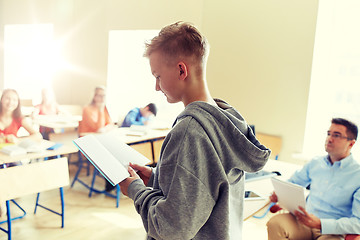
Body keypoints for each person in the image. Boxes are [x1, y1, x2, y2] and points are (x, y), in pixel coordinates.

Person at [119, 21, 271, 240]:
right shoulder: (226, 121)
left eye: (158, 76)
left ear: (181, 70)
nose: (156, 86)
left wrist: (135, 190)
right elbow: (205, 190)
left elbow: (171, 228)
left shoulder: (189, 131)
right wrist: (155, 179)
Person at [267, 118, 360, 240]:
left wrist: (320, 224)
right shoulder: (315, 163)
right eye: (328, 134)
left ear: (351, 143)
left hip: (332, 231)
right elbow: (292, 183)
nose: (329, 139)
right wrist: (280, 194)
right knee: (276, 223)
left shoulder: (357, 175)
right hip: (304, 221)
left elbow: (357, 223)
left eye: (336, 135)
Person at [78, 86, 115, 192]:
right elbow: (96, 128)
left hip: (100, 141)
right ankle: (110, 184)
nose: (102, 98)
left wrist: (105, 128)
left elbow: (110, 124)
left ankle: (117, 180)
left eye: (104, 95)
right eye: (100, 95)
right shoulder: (87, 109)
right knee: (108, 154)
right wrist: (100, 111)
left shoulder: (104, 108)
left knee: (115, 151)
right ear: (94, 96)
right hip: (87, 143)